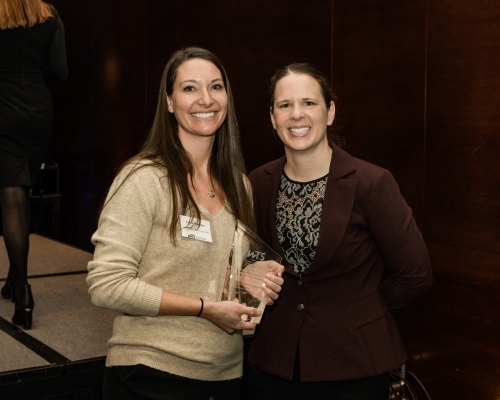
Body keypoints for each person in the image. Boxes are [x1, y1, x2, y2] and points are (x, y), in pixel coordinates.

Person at [86, 47, 284, 400]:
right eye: (189, 88)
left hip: (225, 376)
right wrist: (205, 309)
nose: (205, 99)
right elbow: (106, 285)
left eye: (216, 87)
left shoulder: (240, 185)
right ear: (169, 102)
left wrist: (252, 280)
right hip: (150, 374)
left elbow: (225, 277)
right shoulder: (144, 178)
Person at [245, 63, 433, 399]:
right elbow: (252, 257)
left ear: (329, 112)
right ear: (272, 118)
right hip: (273, 365)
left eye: (309, 103)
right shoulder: (256, 183)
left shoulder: (372, 183)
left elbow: (415, 274)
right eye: (285, 105)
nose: (296, 115)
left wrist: (360, 311)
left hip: (353, 366)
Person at [0, 0, 67, 330]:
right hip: (39, 111)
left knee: (12, 195)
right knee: (23, 190)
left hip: (3, 109)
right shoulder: (49, 14)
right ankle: (14, 281)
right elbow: (60, 70)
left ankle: (24, 291)